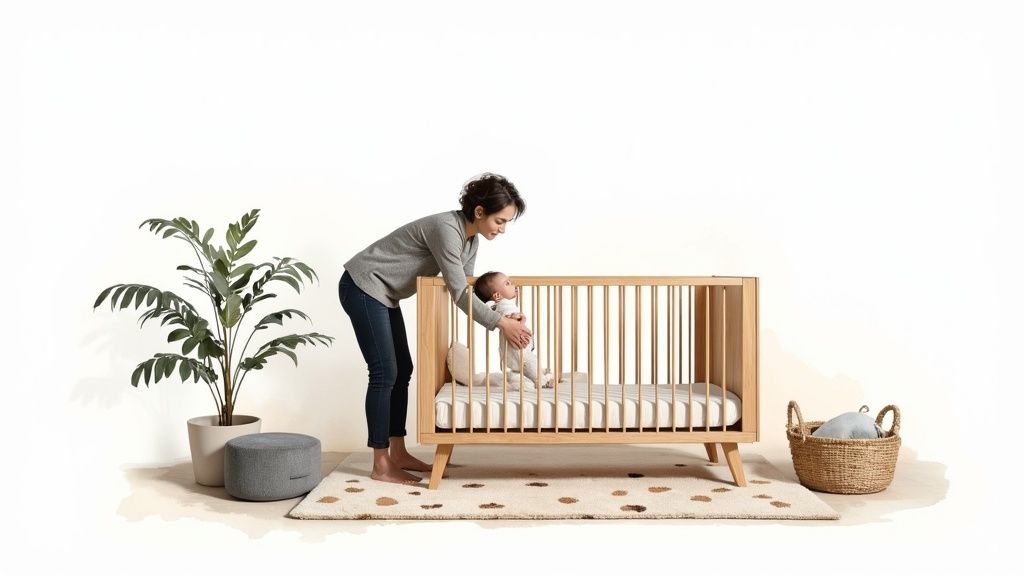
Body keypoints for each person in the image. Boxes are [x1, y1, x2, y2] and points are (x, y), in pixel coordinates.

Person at [339, 173, 532, 485]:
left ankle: (398, 452)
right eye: (500, 221)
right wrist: (500, 325)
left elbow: (467, 289)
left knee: (403, 369)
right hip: (363, 285)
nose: (502, 229)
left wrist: (505, 312)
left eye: (507, 222)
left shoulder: (470, 241)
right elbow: (459, 292)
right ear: (479, 212)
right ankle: (380, 463)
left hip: (383, 294)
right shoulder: (447, 229)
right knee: (384, 372)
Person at [473, 271, 553, 389]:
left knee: (523, 365)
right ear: (497, 296)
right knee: (529, 362)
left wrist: (519, 316)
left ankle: (516, 379)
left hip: (513, 349)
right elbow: (504, 316)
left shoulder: (504, 304)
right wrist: (514, 317)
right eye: (507, 283)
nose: (513, 285)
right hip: (516, 347)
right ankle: (542, 381)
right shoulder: (502, 305)